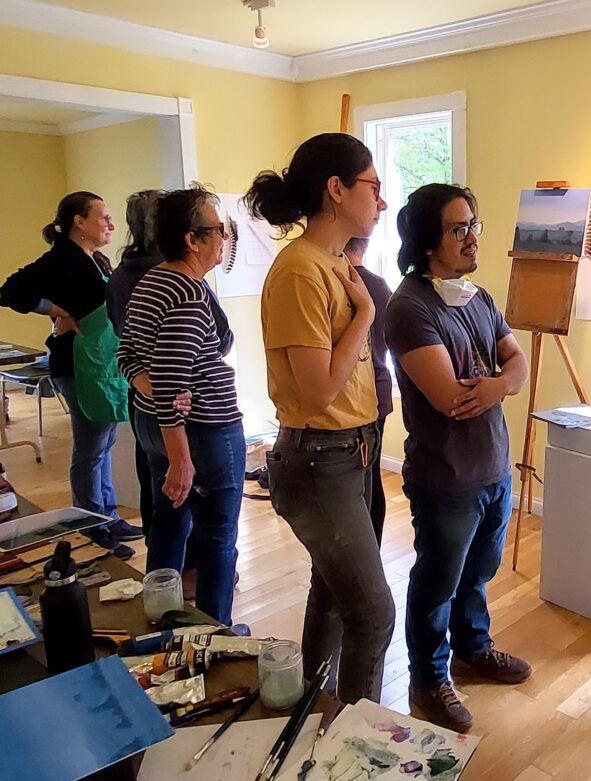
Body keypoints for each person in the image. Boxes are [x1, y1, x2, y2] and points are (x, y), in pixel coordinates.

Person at [245, 133, 395, 704]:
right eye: (373, 186)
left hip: (351, 451)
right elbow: (319, 392)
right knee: (374, 612)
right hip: (317, 458)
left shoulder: (332, 262)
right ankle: (360, 739)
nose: (381, 201)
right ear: (336, 190)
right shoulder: (300, 272)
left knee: (334, 592)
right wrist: (365, 313)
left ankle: (316, 706)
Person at [385, 183, 530, 732]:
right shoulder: (409, 307)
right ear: (427, 240)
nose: (472, 237)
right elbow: (451, 397)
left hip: (493, 467)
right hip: (445, 478)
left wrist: (495, 385)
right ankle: (428, 678)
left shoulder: (478, 297)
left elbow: (516, 367)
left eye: (474, 225)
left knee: (478, 573)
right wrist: (500, 383)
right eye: (458, 228)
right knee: (438, 582)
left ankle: (474, 648)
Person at [117, 185, 245, 626]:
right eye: (218, 231)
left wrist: (149, 390)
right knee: (217, 540)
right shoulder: (187, 294)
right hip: (202, 433)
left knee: (169, 528)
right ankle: (215, 638)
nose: (223, 240)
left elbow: (127, 356)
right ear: (193, 239)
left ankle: (161, 621)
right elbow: (173, 379)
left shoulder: (154, 280)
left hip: (154, 425)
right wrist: (181, 458)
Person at [0, 192, 141, 559]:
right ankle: (92, 524)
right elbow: (11, 291)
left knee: (104, 444)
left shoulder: (95, 259)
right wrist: (57, 311)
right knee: (90, 449)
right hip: (78, 367)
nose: (110, 224)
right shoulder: (61, 258)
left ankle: (108, 516)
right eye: (103, 217)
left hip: (102, 364)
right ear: (79, 222)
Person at [344, 237, 393, 544]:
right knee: (372, 475)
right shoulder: (381, 286)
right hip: (380, 388)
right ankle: (371, 550)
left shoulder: (338, 282)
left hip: (353, 394)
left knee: (355, 487)